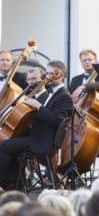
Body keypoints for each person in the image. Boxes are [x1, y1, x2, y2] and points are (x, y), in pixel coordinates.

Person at [0, 60, 73, 189]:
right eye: (47, 73)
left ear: (60, 76)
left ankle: (6, 184)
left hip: (44, 141)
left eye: (52, 73)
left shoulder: (64, 96)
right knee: (10, 144)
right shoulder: (53, 92)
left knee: (6, 146)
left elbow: (57, 121)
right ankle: (15, 185)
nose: (48, 76)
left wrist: (38, 106)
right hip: (37, 136)